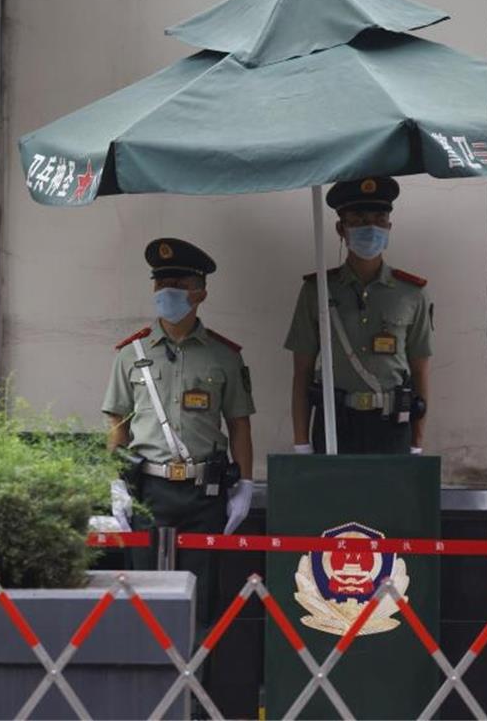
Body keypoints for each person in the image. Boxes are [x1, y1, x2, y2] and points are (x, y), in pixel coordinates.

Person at [101, 237, 256, 637]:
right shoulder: (129, 354)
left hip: (204, 493)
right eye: (161, 283)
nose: (168, 291)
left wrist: (246, 485)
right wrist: (114, 482)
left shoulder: (224, 356)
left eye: (179, 283)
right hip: (148, 489)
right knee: (142, 594)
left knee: (201, 596)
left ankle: (196, 694)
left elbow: (239, 423)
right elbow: (117, 422)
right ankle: (147, 689)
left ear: (200, 292)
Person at [285, 176, 433, 455]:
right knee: (335, 499)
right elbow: (301, 372)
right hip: (335, 425)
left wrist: (417, 442)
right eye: (359, 219)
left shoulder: (411, 294)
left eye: (379, 218)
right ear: (342, 228)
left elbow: (421, 370)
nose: (371, 227)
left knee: (389, 500)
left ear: (389, 227)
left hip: (392, 426)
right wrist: (301, 441)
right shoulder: (317, 291)